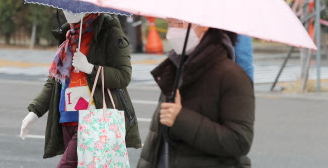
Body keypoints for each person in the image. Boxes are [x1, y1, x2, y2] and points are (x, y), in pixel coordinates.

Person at [20, 10, 141, 168]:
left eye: (73, 5)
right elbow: (55, 81)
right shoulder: (69, 36)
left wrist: (91, 68)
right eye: (65, 6)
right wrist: (34, 112)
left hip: (92, 119)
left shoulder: (109, 32)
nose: (68, 11)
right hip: (67, 119)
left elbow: (123, 76)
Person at [137, 19, 255, 168]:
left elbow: (240, 141)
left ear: (204, 24)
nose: (173, 30)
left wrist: (180, 119)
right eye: (170, 23)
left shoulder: (232, 75)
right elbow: (157, 140)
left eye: (179, 23)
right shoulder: (175, 66)